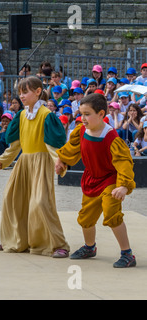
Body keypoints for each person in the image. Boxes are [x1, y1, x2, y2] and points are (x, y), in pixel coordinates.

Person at [55, 93, 136, 268]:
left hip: (110, 180)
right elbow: (71, 148)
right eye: (81, 114)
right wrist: (61, 160)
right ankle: (89, 247)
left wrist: (123, 185)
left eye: (87, 114)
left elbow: (124, 163)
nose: (82, 118)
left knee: (111, 213)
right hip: (91, 179)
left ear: (101, 114)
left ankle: (127, 254)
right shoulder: (81, 130)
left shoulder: (111, 138)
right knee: (85, 218)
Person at [0, 76, 70, 258]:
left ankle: (58, 244)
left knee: (41, 203)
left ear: (37, 92)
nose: (21, 95)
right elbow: (15, 145)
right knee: (12, 199)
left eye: (25, 91)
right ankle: (16, 239)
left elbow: (53, 145)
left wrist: (59, 162)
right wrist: (1, 161)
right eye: (19, 92)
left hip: (41, 163)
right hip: (24, 163)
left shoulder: (46, 115)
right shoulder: (21, 115)